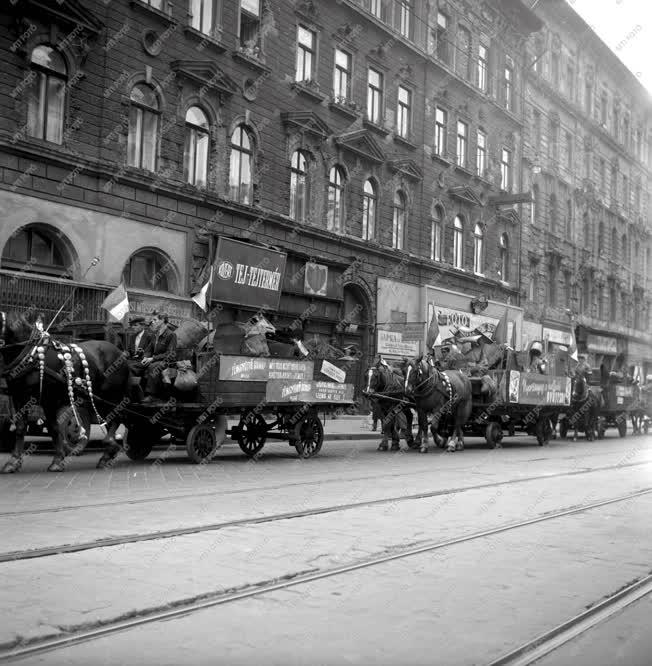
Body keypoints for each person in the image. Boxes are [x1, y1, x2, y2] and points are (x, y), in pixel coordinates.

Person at [142, 311, 177, 402]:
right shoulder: (155, 334)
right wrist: (146, 357)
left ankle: (152, 395)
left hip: (166, 362)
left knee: (153, 367)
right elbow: (149, 349)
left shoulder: (171, 335)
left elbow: (170, 354)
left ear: (162, 320)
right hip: (154, 360)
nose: (152, 322)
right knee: (135, 365)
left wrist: (153, 358)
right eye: (152, 320)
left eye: (155, 320)